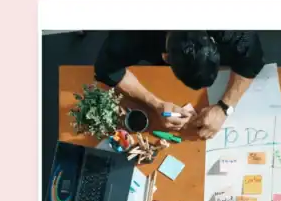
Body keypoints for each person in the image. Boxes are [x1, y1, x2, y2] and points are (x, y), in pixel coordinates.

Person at [93, 30, 265, 138]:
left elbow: (252, 60)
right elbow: (107, 70)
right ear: (165, 58)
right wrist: (156, 104)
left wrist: (225, 107)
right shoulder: (130, 35)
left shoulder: (231, 28)